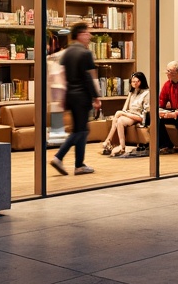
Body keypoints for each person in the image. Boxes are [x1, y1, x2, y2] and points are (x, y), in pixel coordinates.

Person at [50, 22, 101, 176]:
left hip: (70, 96)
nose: (89, 36)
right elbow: (88, 77)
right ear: (80, 34)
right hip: (81, 96)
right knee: (81, 130)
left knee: (81, 129)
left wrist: (64, 97)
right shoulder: (85, 53)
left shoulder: (66, 53)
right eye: (87, 33)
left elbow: (63, 77)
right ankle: (59, 157)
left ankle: (79, 165)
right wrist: (96, 97)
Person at [102, 72, 150, 156]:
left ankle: (108, 140)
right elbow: (125, 108)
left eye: (137, 81)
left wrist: (123, 113)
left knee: (118, 114)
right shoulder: (132, 92)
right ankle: (122, 146)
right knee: (119, 119)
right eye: (133, 81)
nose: (135, 83)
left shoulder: (147, 93)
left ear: (142, 81)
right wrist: (123, 113)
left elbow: (145, 114)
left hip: (139, 116)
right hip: (130, 114)